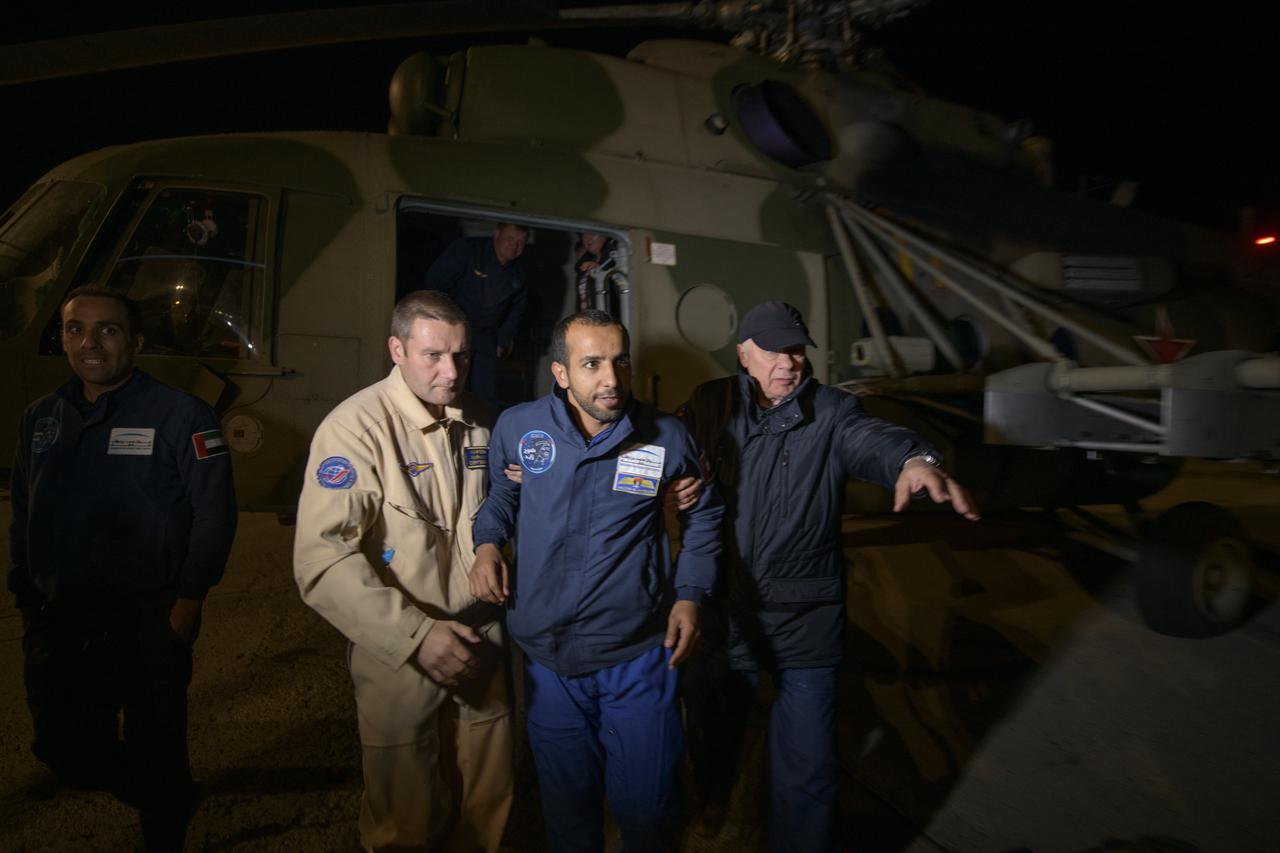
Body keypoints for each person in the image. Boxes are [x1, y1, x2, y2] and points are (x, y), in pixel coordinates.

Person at [678, 300, 980, 853]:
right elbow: (670, 446)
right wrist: (673, 478)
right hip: (728, 609)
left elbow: (876, 440)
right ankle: (714, 798)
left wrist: (917, 461)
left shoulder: (834, 411)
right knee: (713, 733)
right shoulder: (710, 403)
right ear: (744, 354)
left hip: (806, 615)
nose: (788, 362)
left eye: (796, 349)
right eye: (772, 349)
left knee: (808, 764)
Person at [470, 309, 723, 852]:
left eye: (619, 362)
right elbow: (502, 497)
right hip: (548, 659)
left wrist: (690, 594)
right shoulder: (519, 428)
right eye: (591, 364)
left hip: (637, 657)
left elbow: (705, 516)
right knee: (567, 812)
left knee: (648, 810)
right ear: (561, 373)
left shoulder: (667, 438)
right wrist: (487, 542)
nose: (611, 379)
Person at [8, 284, 238, 852]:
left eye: (107, 329)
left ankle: (163, 814)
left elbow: (215, 515)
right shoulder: (41, 418)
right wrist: (25, 593)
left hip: (149, 618)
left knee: (154, 748)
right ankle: (167, 794)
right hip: (60, 618)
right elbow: (22, 510)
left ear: (134, 342)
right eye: (75, 329)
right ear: (61, 338)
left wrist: (191, 598)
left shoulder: (183, 416)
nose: (89, 342)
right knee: (64, 752)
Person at [293, 290, 513, 852]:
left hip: (481, 634)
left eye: (462, 356)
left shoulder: (484, 420)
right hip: (403, 643)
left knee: (486, 805)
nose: (451, 371)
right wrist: (414, 635)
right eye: (433, 355)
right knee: (404, 817)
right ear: (396, 349)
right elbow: (322, 558)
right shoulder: (354, 429)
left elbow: (509, 510)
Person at [424, 222, 530, 406]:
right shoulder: (467, 250)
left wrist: (503, 340)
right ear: (497, 235)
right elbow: (435, 284)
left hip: (486, 336)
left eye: (521, 242)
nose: (514, 246)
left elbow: (516, 310)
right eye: (510, 239)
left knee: (485, 393)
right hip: (453, 332)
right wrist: (439, 327)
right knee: (449, 384)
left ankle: (483, 433)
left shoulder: (520, 272)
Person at [573, 231, 617, 314]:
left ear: (606, 236)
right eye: (584, 235)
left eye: (593, 233)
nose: (587, 238)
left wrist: (602, 272)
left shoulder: (617, 261)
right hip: (588, 322)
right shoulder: (583, 268)